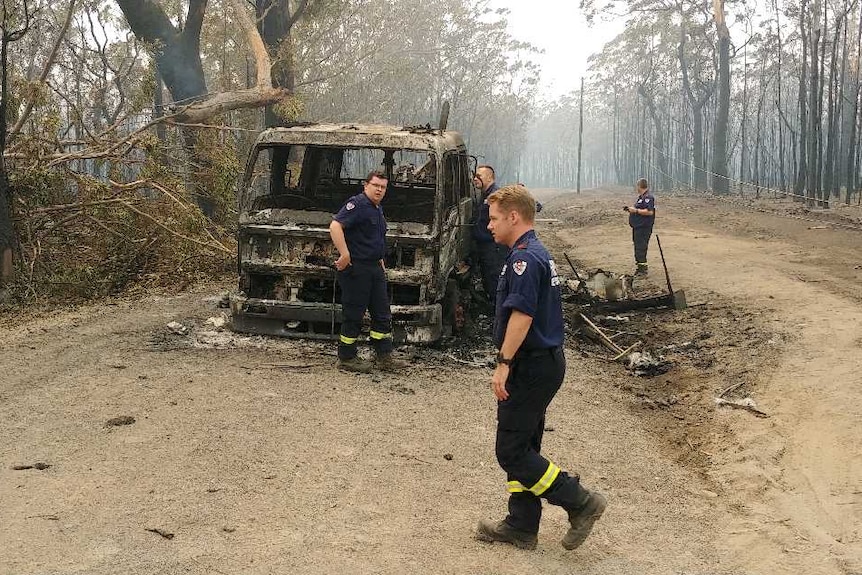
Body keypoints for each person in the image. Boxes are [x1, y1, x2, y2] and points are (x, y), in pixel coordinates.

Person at [475, 184, 607, 552]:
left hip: (531, 365)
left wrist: (503, 364)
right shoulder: (533, 253)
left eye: (494, 219)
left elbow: (522, 315)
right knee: (524, 443)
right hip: (540, 363)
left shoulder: (524, 259)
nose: (489, 226)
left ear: (514, 217)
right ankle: (521, 524)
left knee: (511, 451)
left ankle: (581, 501)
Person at [329, 170, 401, 373]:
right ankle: (347, 357)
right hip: (357, 269)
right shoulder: (357, 204)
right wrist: (344, 255)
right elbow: (335, 226)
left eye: (383, 187)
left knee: (382, 313)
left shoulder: (376, 208)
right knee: (354, 313)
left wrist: (379, 258)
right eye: (376, 185)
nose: (379, 189)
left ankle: (383, 355)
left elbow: (371, 236)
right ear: (366, 185)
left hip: (374, 268)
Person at [471, 165, 507, 307]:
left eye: (479, 175)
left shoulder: (496, 195)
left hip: (494, 248)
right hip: (485, 246)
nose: (475, 179)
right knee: (488, 280)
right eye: (475, 175)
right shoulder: (484, 195)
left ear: (490, 177)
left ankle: (500, 315)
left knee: (495, 281)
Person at [625, 178, 656, 275]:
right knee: (637, 247)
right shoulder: (641, 197)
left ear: (639, 186)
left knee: (641, 247)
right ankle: (639, 267)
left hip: (644, 228)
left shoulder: (648, 197)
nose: (636, 188)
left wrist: (636, 211)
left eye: (637, 186)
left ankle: (643, 270)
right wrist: (631, 209)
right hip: (637, 227)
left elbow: (649, 211)